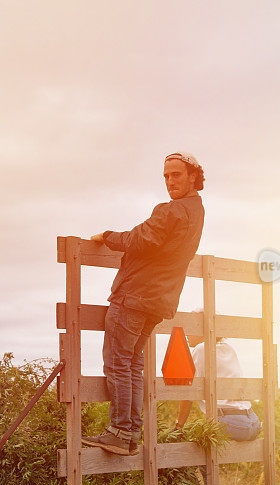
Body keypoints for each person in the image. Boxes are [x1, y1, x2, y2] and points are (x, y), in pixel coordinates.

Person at [81, 152, 205, 455]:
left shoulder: (171, 211)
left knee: (118, 362)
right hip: (157, 301)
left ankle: (121, 431)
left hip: (135, 296)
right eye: (166, 176)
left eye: (176, 174)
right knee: (133, 363)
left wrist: (108, 236)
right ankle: (131, 433)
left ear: (193, 177)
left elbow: (140, 239)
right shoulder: (196, 211)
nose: (170, 181)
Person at [175, 332, 261, 441]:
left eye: (191, 329)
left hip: (232, 425)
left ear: (201, 331)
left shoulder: (201, 349)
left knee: (192, 442)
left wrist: (178, 426)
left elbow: (189, 394)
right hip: (253, 422)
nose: (187, 334)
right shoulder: (229, 348)